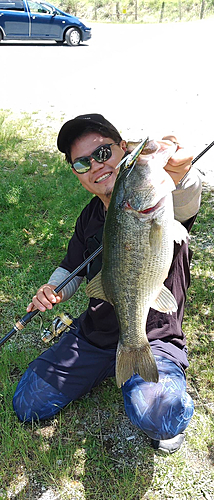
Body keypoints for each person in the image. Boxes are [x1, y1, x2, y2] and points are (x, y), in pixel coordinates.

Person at [13, 114, 202, 454]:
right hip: (94, 335)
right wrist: (51, 289)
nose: (96, 166)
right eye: (83, 163)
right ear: (77, 174)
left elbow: (186, 197)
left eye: (102, 153)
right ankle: (110, 366)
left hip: (155, 337)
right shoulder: (88, 217)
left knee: (162, 415)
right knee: (28, 402)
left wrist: (180, 173)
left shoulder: (163, 202)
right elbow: (72, 268)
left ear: (122, 150)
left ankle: (141, 376)